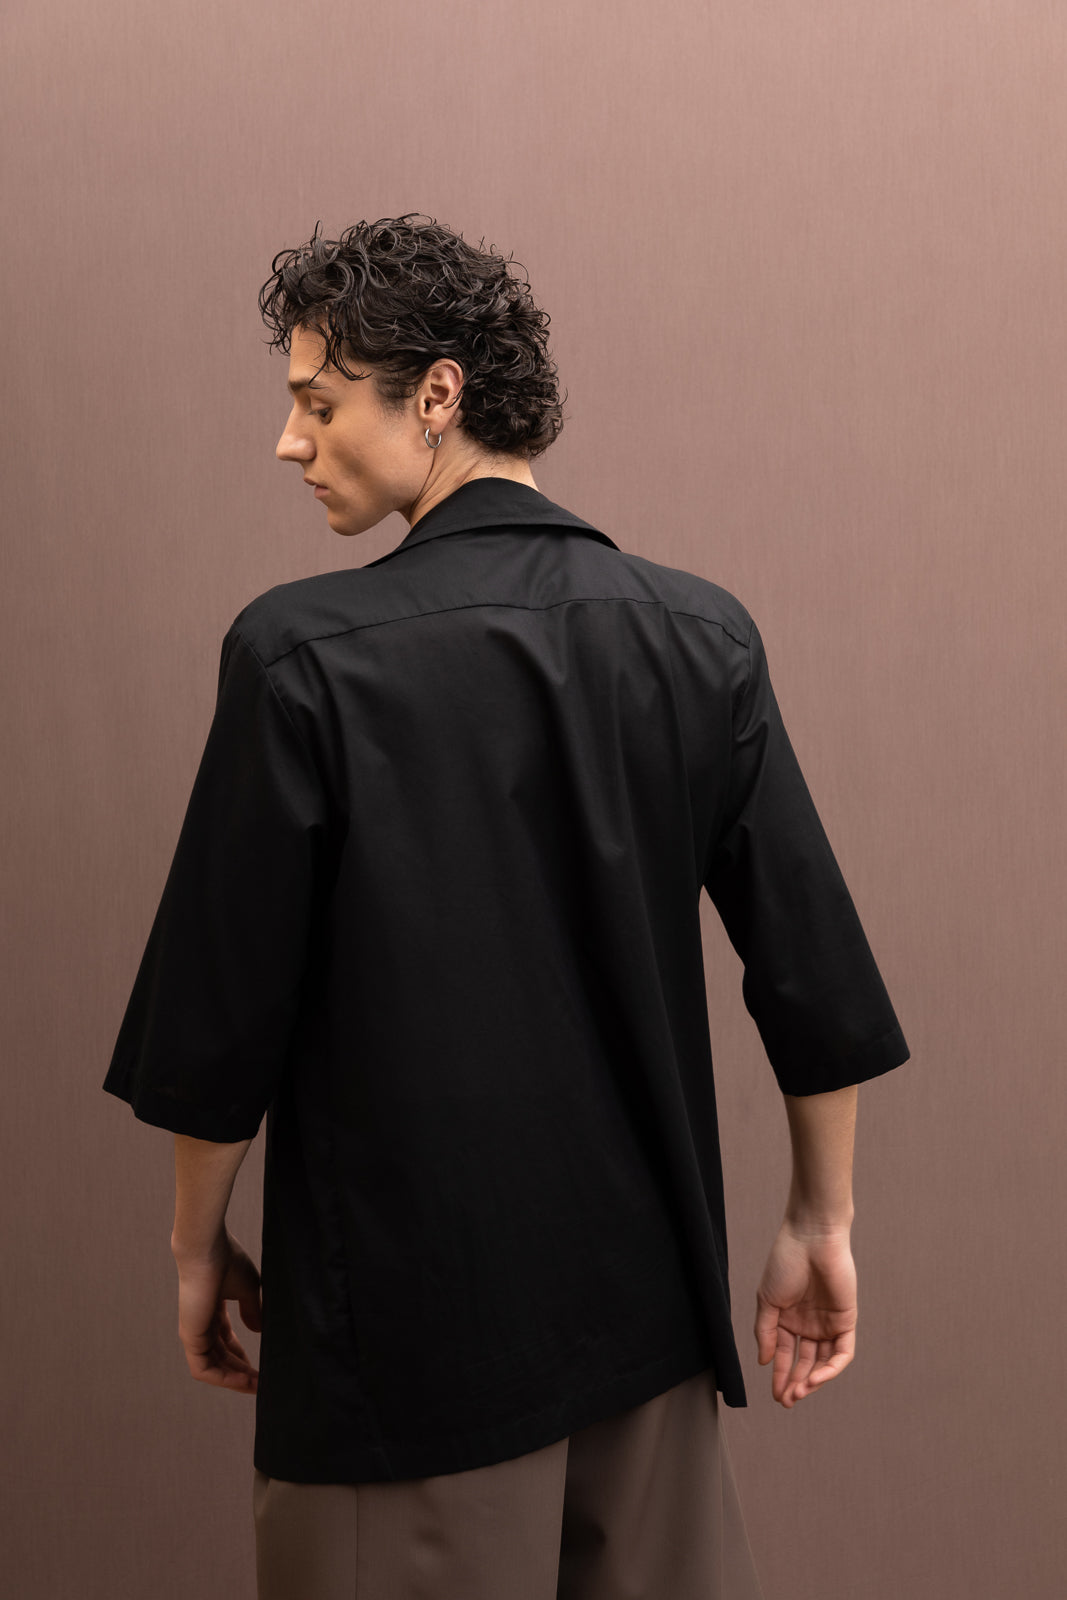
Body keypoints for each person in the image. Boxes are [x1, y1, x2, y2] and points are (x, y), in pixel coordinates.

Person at [103, 214, 910, 1600]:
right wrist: (817, 1223)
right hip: (650, 1335)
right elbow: (816, 984)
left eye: (318, 404)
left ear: (438, 393)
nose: (290, 443)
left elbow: (220, 1020)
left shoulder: (302, 658)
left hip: (403, 1357)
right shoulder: (700, 637)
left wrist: (195, 1247)